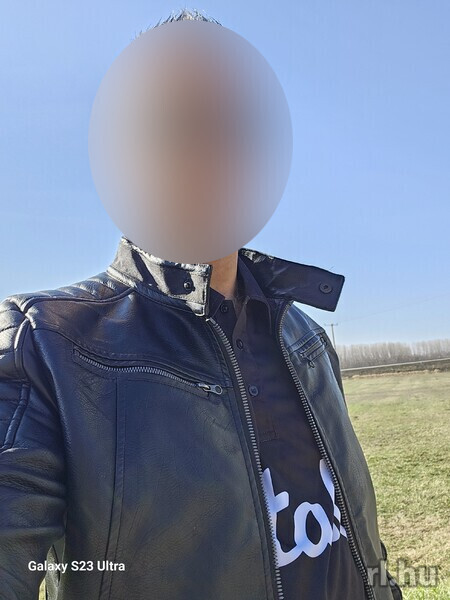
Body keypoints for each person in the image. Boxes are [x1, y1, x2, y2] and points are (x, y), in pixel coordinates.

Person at [0, 8, 402, 600]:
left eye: (235, 121)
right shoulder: (47, 347)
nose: (215, 149)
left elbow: (363, 547)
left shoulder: (307, 340)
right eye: (179, 121)